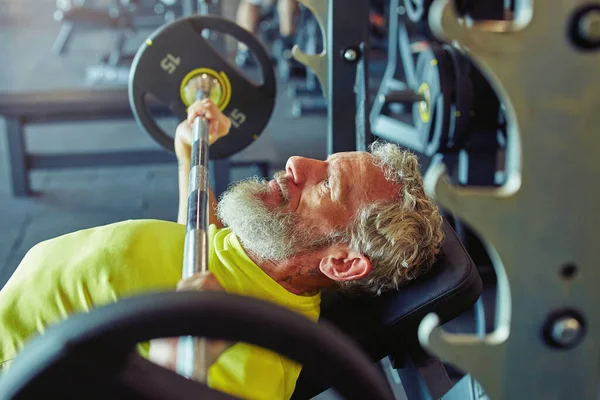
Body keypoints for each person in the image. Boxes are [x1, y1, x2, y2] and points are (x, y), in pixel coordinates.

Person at [0, 99, 444, 400]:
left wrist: (171, 365)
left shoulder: (260, 358)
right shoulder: (261, 254)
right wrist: (186, 156)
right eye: (324, 160)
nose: (297, 163)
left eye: (328, 183)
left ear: (342, 262)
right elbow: (194, 248)